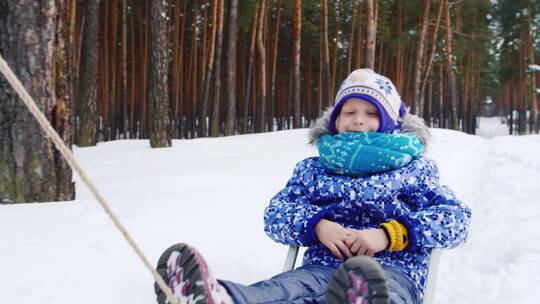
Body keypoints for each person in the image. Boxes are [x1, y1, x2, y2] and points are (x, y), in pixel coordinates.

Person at [154, 69, 472, 304]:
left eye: (372, 113)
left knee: (374, 293)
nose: (359, 120)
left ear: (389, 124)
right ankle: (216, 298)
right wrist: (316, 226)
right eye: (349, 112)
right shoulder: (314, 170)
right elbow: (277, 214)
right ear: (335, 119)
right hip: (321, 267)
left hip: (391, 274)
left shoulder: (413, 169)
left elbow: (455, 218)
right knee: (283, 290)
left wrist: (389, 234)